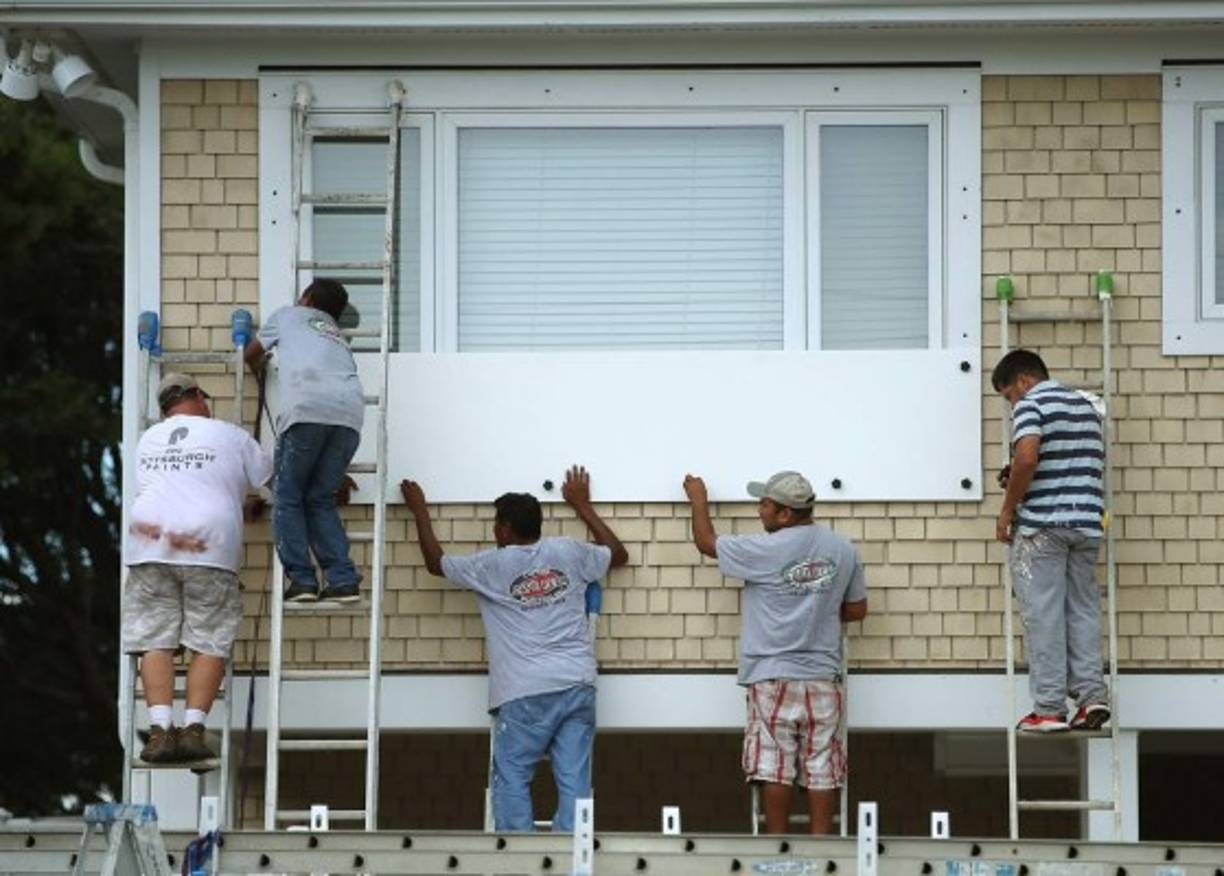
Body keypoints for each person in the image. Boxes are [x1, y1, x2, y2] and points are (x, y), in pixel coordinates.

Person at [401, 466, 628, 832]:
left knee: (513, 777)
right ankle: (571, 859)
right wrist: (583, 506)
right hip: (576, 684)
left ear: (505, 528)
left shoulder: (491, 565)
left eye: (496, 524)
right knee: (574, 780)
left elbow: (435, 563)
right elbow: (617, 555)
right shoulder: (568, 551)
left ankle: (519, 862)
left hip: (524, 692)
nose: (494, 530)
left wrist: (419, 511)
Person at [683, 469, 866, 835]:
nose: (759, 511)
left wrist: (698, 498)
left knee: (774, 763)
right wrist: (819, 606)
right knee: (822, 765)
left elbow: (706, 542)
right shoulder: (843, 550)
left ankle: (777, 848)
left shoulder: (764, 550)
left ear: (785, 513)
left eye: (765, 504)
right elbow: (857, 610)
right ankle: (821, 851)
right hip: (822, 676)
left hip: (771, 675)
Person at [124, 373, 272, 763]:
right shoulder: (228, 434)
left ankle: (159, 731)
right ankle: (191, 729)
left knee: (154, 639)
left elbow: (179, 491)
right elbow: (274, 479)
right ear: (195, 396)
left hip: (149, 542)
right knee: (208, 638)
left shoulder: (147, 440)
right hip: (208, 545)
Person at [992, 349, 1109, 733]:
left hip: (1044, 526)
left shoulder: (1031, 404)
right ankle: (1092, 697)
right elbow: (1066, 459)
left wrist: (1008, 508)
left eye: (1010, 394)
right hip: (1086, 524)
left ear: (1024, 381)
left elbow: (1028, 458)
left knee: (1043, 614)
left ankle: (1049, 708)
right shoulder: (1087, 406)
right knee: (1082, 610)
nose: (1013, 403)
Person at [244, 278, 365, 603]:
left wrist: (259, 362)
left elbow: (251, 355)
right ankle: (342, 579)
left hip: (306, 410)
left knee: (287, 496)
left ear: (306, 299)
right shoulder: (336, 335)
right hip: (350, 417)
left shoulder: (288, 314)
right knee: (320, 499)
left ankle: (302, 581)